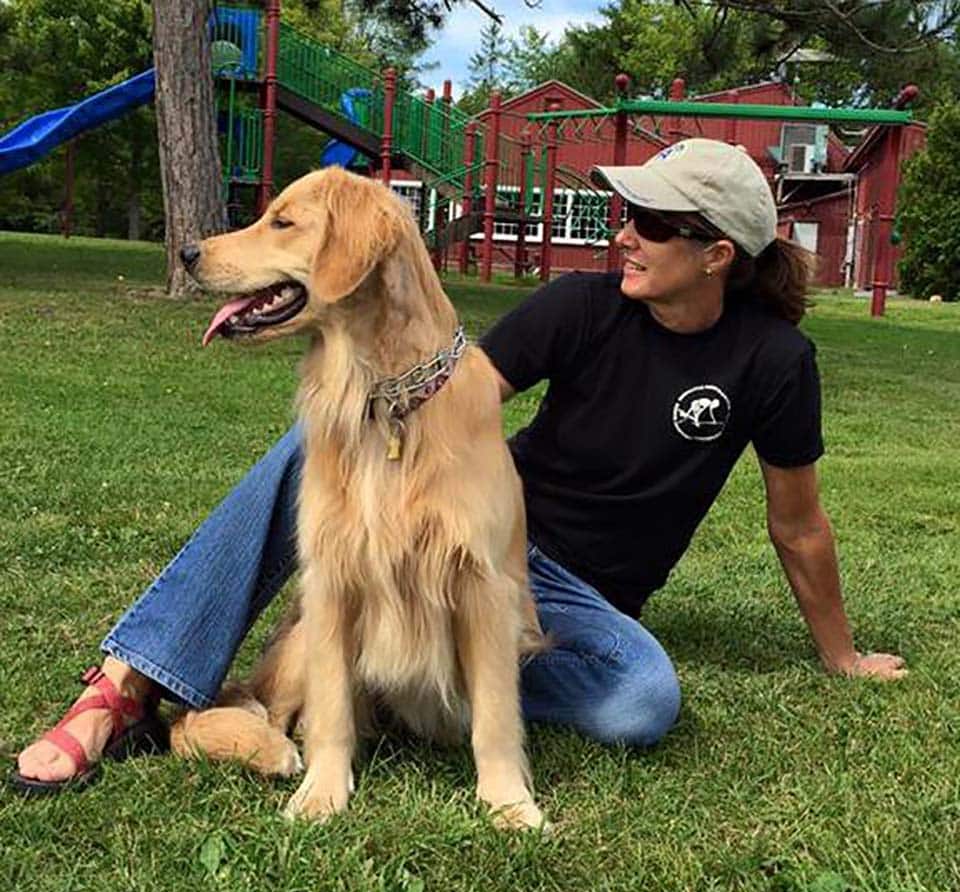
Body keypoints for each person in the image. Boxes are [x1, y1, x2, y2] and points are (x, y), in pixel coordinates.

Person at [12, 138, 907, 796]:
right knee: (315, 442)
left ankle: (410, 686)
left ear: (717, 255)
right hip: (486, 534)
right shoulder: (582, 306)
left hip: (571, 600)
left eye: (653, 223)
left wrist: (841, 656)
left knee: (642, 699)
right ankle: (131, 681)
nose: (624, 235)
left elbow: (798, 524)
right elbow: (452, 387)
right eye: (625, 215)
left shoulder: (774, 363)